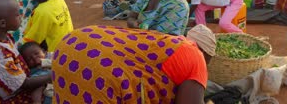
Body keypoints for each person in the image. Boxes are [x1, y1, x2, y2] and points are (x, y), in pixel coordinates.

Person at [52, 24, 215, 104]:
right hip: (98, 68)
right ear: (207, 56)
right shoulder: (196, 57)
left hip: (72, 45)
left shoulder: (166, 42)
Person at [0, 0, 51, 103]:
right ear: (3, 23)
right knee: (53, 94)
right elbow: (24, 84)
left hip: (18, 81)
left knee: (45, 70)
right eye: (17, 15)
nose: (21, 16)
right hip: (6, 99)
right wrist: (53, 76)